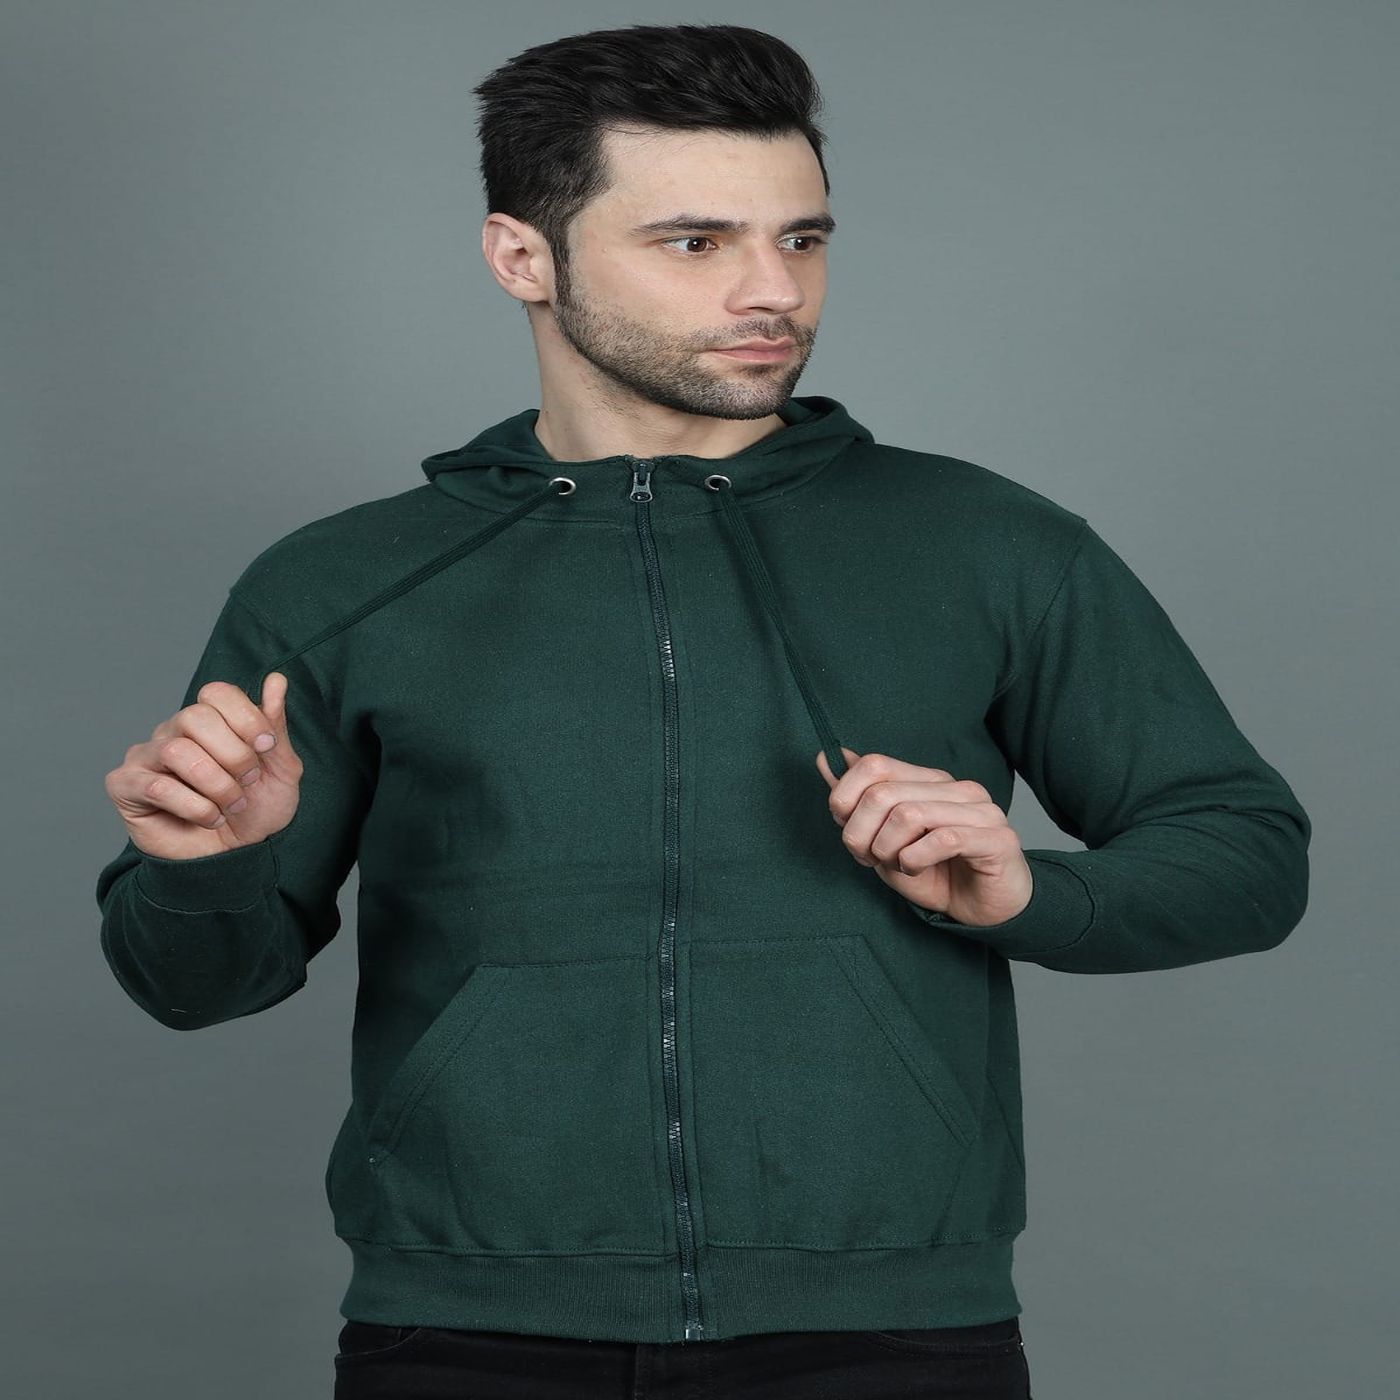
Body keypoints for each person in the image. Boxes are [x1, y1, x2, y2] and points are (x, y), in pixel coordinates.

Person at [95, 21, 1310, 1400]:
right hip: (465, 1333)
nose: (771, 290)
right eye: (694, 242)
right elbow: (193, 986)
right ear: (522, 257)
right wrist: (206, 869)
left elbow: (1245, 852)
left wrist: (1025, 893)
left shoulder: (989, 545)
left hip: (889, 1333)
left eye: (802, 239)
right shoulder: (343, 583)